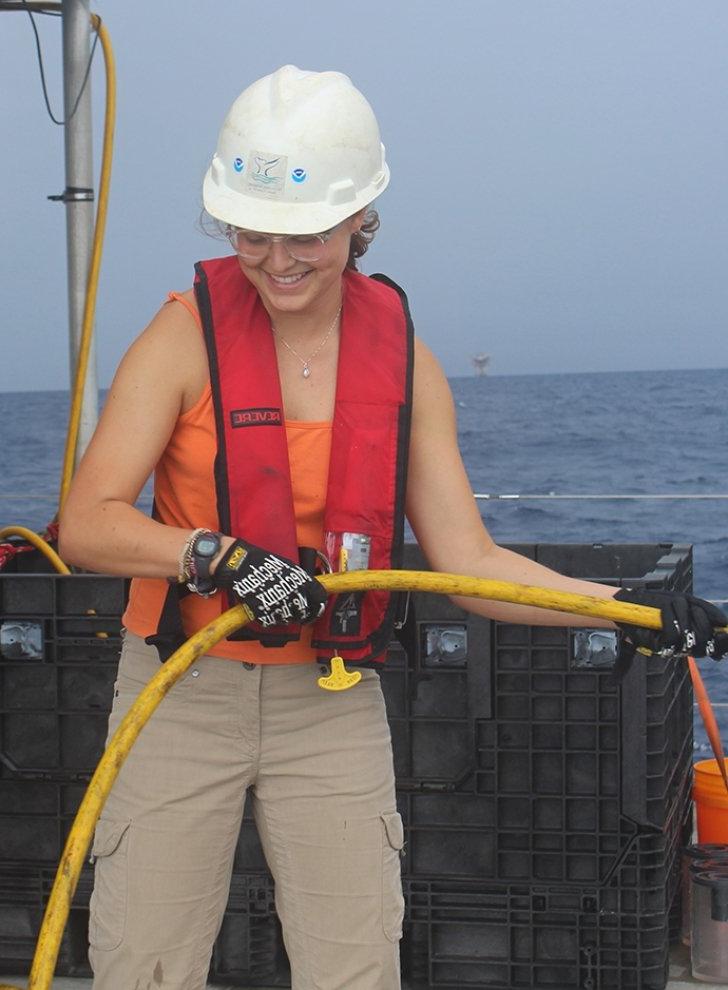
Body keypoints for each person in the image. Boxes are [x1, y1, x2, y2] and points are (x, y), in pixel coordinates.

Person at [59, 65, 727, 990]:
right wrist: (211, 555)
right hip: (181, 691)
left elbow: (469, 563)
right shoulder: (180, 337)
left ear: (359, 220)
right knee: (144, 961)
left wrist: (628, 609)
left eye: (310, 234)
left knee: (355, 962)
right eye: (255, 233)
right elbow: (87, 523)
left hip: (330, 703)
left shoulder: (404, 362)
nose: (280, 259)